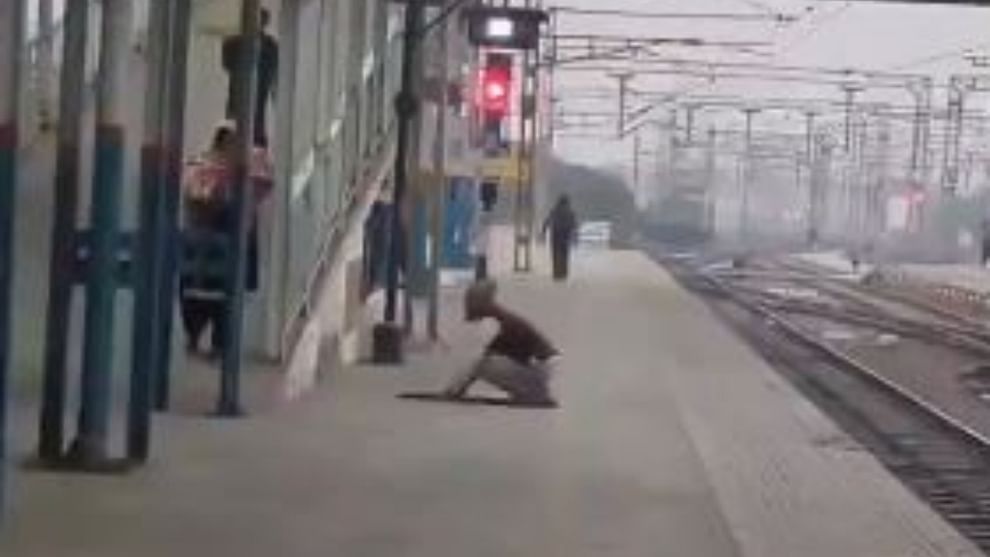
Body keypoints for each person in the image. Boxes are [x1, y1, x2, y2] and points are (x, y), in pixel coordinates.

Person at [180, 123, 272, 357]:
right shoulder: (206, 165)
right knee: (208, 292)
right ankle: (206, 339)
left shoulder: (241, 168)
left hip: (213, 241)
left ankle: (208, 339)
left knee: (211, 293)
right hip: (211, 239)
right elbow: (195, 196)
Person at [443, 280, 560, 407]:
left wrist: (455, 389)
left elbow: (475, 360)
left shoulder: (491, 322)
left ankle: (532, 392)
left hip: (539, 369)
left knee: (481, 364)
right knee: (485, 360)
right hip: (544, 365)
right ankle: (532, 390)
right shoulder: (499, 315)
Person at [222, 8, 278, 146]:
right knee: (243, 120)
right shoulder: (233, 43)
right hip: (245, 89)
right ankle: (243, 146)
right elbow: (227, 64)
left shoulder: (232, 42)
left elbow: (227, 64)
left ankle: (245, 146)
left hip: (249, 90)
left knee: (248, 119)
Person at [542, 195, 578, 281]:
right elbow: (574, 224)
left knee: (555, 254)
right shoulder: (570, 211)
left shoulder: (554, 210)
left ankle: (556, 273)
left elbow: (547, 221)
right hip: (565, 235)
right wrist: (575, 236)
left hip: (556, 234)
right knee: (565, 254)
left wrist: (543, 231)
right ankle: (563, 273)